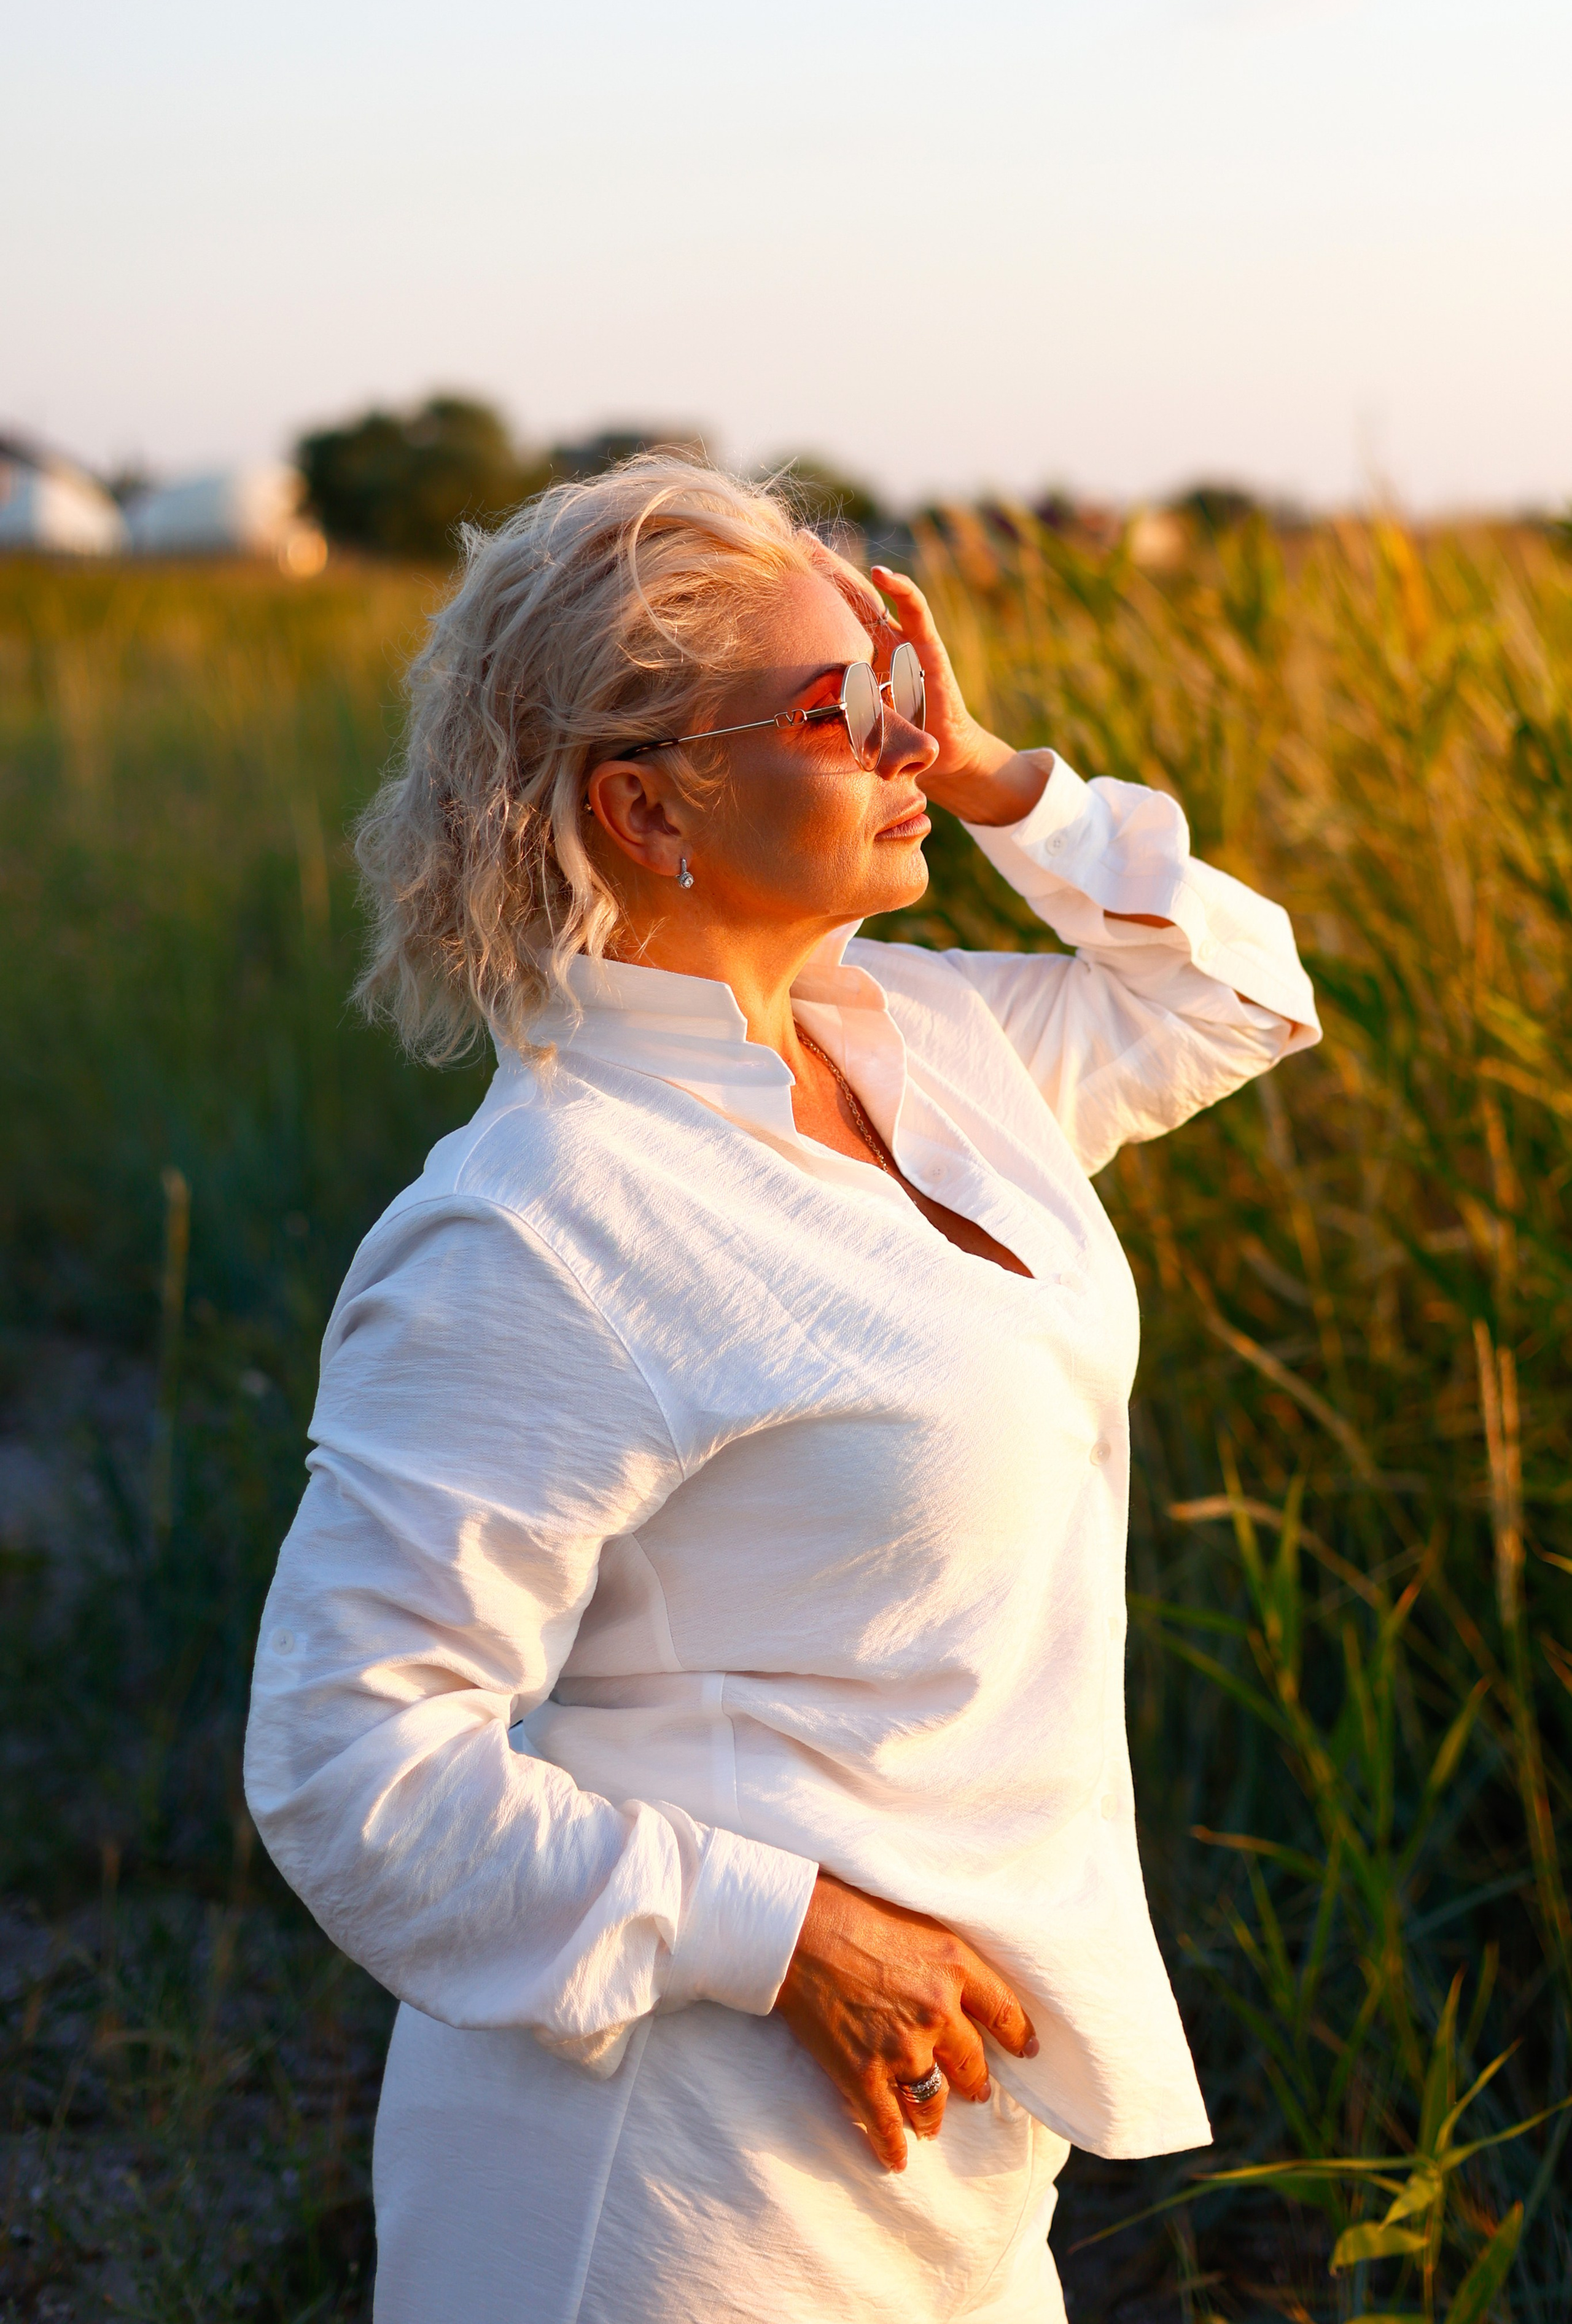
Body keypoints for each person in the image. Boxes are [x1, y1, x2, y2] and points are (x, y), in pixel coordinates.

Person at [244, 457, 1320, 2323]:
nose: (906, 740)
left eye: (901, 686)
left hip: (957, 2137)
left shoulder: (927, 1040)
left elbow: (1232, 996)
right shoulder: (544, 1223)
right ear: (646, 803)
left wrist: (1003, 780)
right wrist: (792, 1936)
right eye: (848, 711)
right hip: (676, 2159)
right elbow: (351, 1765)